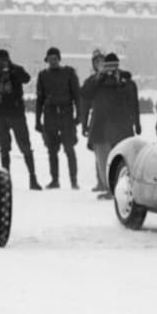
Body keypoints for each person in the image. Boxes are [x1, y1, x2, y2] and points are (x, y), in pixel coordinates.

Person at [80, 52, 140, 200]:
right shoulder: (96, 81)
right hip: (101, 127)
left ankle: (122, 187)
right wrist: (99, 78)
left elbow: (133, 102)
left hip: (121, 127)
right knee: (103, 160)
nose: (111, 69)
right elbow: (85, 94)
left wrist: (137, 123)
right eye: (108, 66)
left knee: (121, 160)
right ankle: (109, 187)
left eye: (114, 66)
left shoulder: (125, 81)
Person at [0, 49, 42, 190]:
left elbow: (26, 79)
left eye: (3, 60)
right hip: (0, 114)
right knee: (4, 148)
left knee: (25, 146)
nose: (1, 63)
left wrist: (13, 71)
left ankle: (32, 178)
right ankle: (6, 181)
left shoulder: (16, 70)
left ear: (8, 59)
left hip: (16, 113)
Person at [35, 47, 81, 190]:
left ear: (59, 59)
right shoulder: (43, 75)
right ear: (47, 60)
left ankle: (74, 180)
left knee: (69, 149)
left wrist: (79, 115)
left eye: (55, 58)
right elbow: (39, 100)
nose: (53, 61)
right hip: (50, 117)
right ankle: (54, 180)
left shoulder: (69, 73)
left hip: (66, 115)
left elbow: (77, 96)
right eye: (50, 59)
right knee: (52, 150)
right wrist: (37, 120)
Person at [81, 49, 108, 193]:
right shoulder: (91, 81)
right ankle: (101, 182)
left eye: (102, 61)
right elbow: (85, 104)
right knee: (99, 155)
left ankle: (107, 183)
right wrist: (84, 124)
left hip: (111, 122)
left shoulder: (110, 79)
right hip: (97, 121)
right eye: (97, 62)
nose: (100, 64)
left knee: (107, 154)